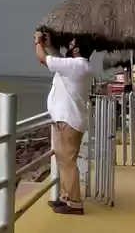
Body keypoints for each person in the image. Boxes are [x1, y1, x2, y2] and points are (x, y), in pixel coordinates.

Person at [34, 29, 95, 216]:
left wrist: (38, 42)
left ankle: (75, 203)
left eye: (71, 44)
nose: (68, 46)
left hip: (67, 121)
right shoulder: (79, 66)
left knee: (67, 163)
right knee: (65, 161)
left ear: (77, 50)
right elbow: (56, 58)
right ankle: (65, 198)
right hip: (70, 120)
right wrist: (49, 45)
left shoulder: (75, 66)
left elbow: (43, 59)